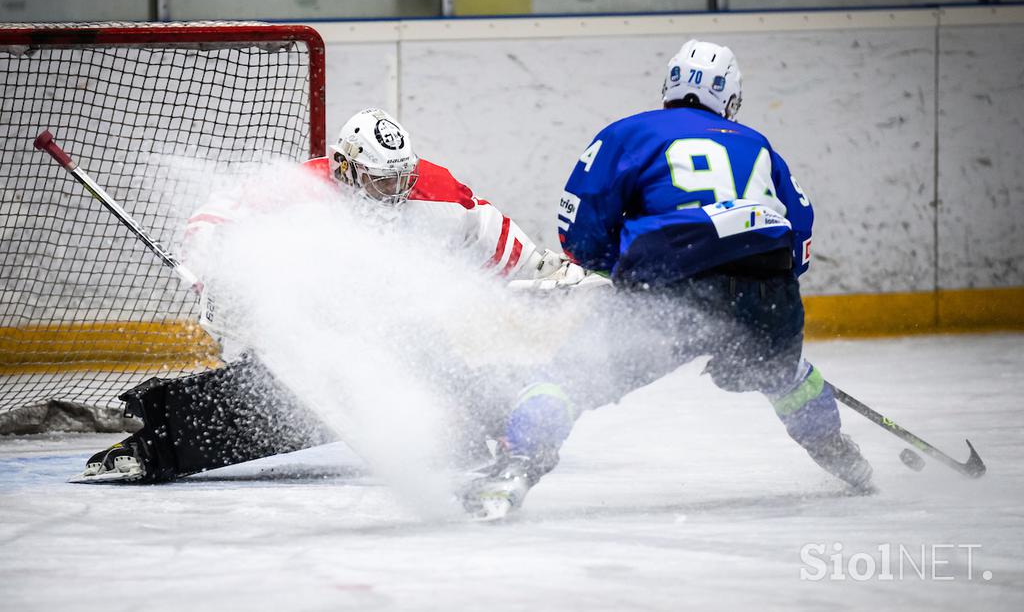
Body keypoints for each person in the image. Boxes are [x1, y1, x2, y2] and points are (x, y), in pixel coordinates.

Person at [462, 40, 874, 518]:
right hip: (771, 291)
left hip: (673, 282)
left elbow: (580, 225)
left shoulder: (628, 133)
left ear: (668, 89)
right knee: (783, 373)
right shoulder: (757, 144)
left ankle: (517, 465)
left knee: (568, 377)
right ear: (731, 101)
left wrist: (621, 271)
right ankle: (838, 452)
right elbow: (800, 233)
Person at [77, 107, 587, 485]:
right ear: (345, 167)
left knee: (446, 384)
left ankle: (484, 426)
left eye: (401, 180)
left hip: (396, 331)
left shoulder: (434, 193)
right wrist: (219, 272)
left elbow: (498, 240)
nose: (397, 192)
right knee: (280, 401)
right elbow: (217, 217)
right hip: (312, 335)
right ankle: (160, 446)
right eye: (381, 181)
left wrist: (555, 272)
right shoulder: (300, 190)